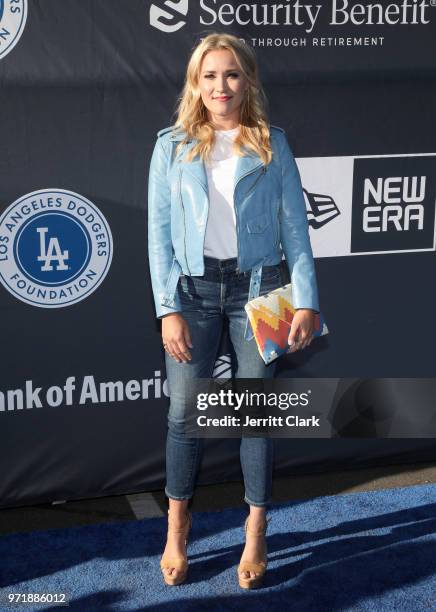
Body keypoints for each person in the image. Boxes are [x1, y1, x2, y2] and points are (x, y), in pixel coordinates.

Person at [147, 32, 320, 589]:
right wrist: (168, 307)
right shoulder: (171, 145)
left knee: (253, 419)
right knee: (181, 415)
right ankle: (177, 525)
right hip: (192, 292)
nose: (220, 86)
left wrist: (307, 300)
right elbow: (158, 237)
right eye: (210, 75)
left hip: (259, 290)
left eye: (231, 75)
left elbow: (297, 230)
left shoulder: (273, 143)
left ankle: (256, 529)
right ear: (196, 83)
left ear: (247, 81)